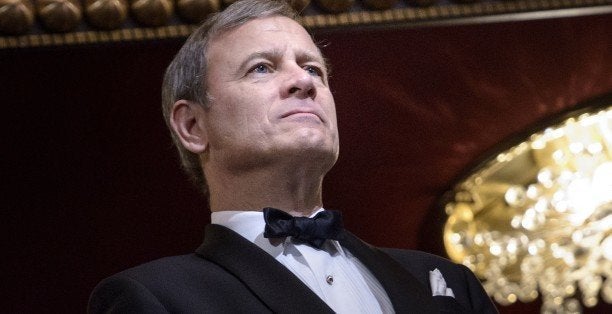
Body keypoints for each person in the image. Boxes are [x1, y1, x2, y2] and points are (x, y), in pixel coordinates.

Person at [88, 0, 498, 313]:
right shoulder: (153, 297)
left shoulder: (447, 284)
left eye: (314, 69)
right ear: (193, 126)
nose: (303, 81)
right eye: (262, 68)